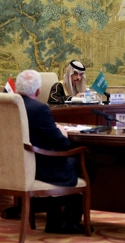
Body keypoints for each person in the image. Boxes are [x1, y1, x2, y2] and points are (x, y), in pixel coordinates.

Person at [16, 70, 87, 234]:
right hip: (40, 168)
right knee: (85, 165)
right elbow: (62, 145)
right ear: (38, 91)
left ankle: (56, 219)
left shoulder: (6, 105)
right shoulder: (39, 109)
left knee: (66, 165)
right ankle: (66, 221)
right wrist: (62, 133)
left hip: (14, 168)